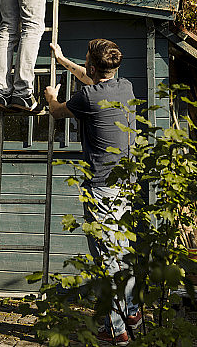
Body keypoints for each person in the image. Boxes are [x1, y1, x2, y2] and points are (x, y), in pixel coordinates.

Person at [44, 39, 141, 346]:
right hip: (126, 183)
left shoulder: (86, 97)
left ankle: (116, 330)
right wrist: (64, 62)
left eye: (85, 61)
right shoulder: (124, 87)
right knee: (122, 249)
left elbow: (58, 112)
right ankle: (134, 311)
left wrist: (50, 96)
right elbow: (91, 84)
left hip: (100, 188)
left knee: (105, 259)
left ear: (93, 66)